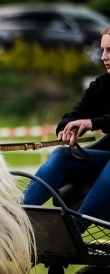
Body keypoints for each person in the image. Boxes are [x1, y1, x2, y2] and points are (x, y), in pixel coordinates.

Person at [22, 26, 110, 229]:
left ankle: (73, 231)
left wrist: (93, 123)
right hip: (104, 159)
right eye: (103, 50)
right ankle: (16, 224)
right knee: (61, 155)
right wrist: (66, 129)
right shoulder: (101, 86)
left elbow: (95, 120)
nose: (104, 57)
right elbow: (73, 115)